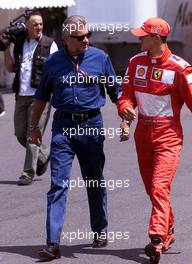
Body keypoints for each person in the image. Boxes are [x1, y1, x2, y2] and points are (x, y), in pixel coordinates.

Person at [29, 15, 119, 260]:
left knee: (94, 179)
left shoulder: (100, 58)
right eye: (80, 37)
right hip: (63, 128)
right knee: (58, 184)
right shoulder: (53, 62)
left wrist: (126, 117)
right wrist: (34, 127)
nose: (86, 40)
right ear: (67, 39)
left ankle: (100, 229)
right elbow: (41, 97)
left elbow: (115, 91)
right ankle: (53, 242)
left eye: (88, 35)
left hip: (92, 125)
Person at [118, 17, 192, 263]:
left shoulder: (180, 68)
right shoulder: (135, 62)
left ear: (157, 38)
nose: (139, 38)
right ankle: (168, 230)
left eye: (143, 35)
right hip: (143, 134)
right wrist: (125, 109)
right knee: (153, 190)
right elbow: (125, 95)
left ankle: (157, 239)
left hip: (168, 135)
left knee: (160, 187)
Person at [4, 11, 58, 185]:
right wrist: (5, 47)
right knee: (20, 134)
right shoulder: (19, 43)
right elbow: (11, 68)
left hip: (40, 97)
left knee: (31, 135)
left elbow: (56, 70)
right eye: (35, 24)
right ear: (27, 26)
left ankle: (28, 173)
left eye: (40, 24)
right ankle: (44, 155)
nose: (39, 27)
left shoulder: (50, 44)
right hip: (21, 95)